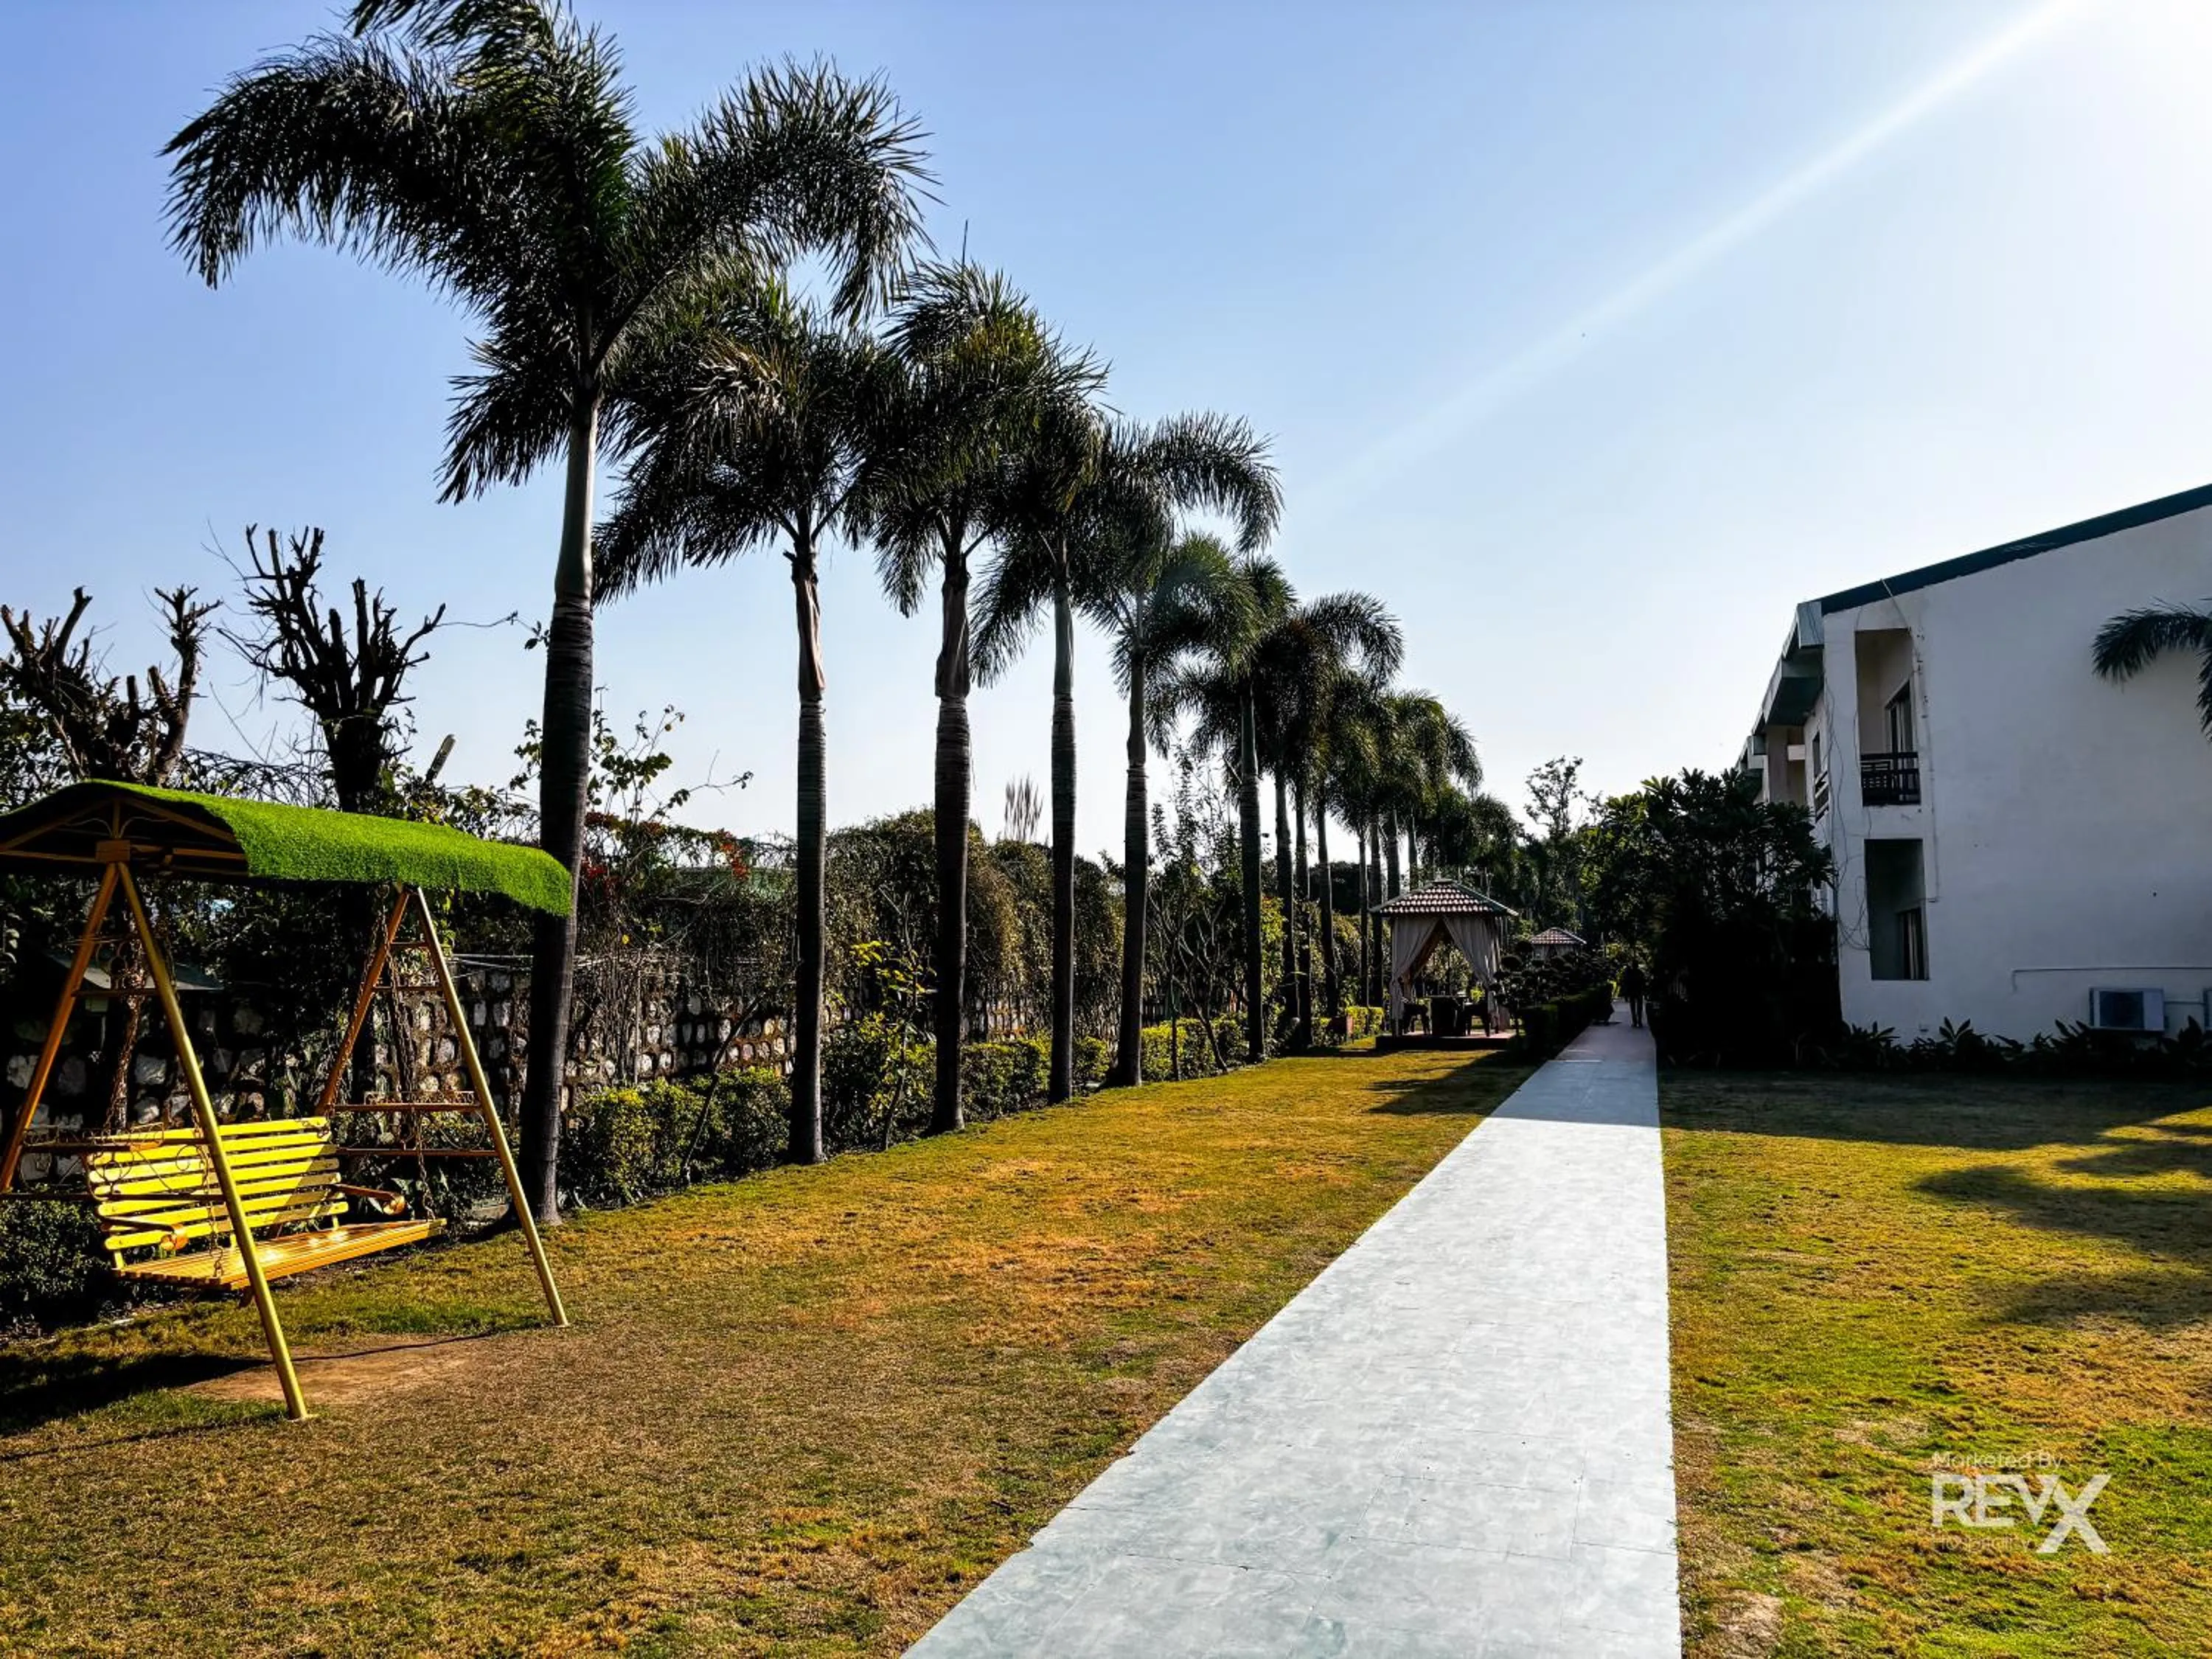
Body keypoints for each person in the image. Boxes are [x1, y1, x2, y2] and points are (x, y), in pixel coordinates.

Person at [1619, 959, 1649, 1029]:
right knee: (1639, 1007)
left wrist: (1626, 994)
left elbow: (1626, 982)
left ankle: (1635, 1021)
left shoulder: (1630, 973)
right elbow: (1643, 983)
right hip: (1638, 992)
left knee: (1633, 1007)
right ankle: (1639, 1021)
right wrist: (1645, 993)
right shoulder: (1640, 973)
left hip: (1633, 992)